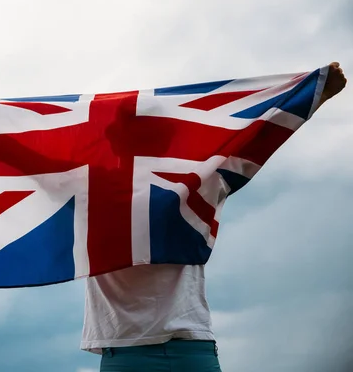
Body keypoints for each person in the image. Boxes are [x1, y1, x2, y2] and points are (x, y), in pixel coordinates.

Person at [80, 62, 347, 372]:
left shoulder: (97, 191)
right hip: (155, 350)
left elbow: (257, 141)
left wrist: (315, 96)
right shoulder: (99, 190)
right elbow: (257, 139)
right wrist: (315, 96)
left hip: (171, 348)